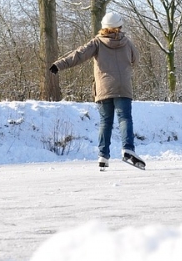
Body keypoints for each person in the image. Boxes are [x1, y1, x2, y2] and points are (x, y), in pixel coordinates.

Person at [50, 12, 143, 169]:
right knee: (124, 119)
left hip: (104, 88)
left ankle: (103, 156)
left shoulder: (97, 43)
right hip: (123, 87)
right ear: (119, 26)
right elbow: (136, 59)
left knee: (105, 122)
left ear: (103, 27)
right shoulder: (127, 42)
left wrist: (59, 64)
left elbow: (79, 55)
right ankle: (127, 149)